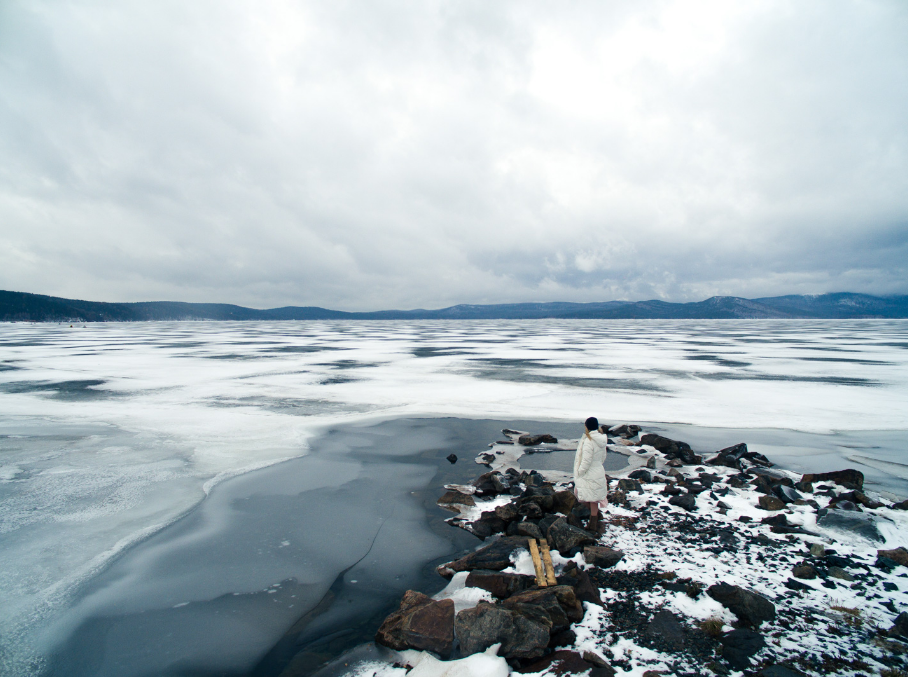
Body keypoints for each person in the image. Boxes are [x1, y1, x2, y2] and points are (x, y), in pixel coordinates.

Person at [573, 416, 609, 532]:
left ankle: (593, 523)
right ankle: (594, 520)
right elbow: (603, 457)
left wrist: (580, 471)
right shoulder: (601, 440)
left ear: (587, 426)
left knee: (584, 495)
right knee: (593, 498)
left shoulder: (589, 441)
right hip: (598, 470)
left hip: (589, 473)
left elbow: (586, 460)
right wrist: (597, 465)